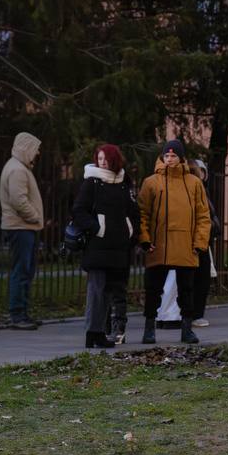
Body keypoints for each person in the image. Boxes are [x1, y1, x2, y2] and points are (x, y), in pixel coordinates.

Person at [137, 139, 212, 345]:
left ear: (181, 158)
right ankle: (149, 329)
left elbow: (203, 215)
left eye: (173, 156)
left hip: (185, 245)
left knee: (186, 289)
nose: (169, 159)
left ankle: (187, 329)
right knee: (153, 289)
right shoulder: (151, 182)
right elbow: (142, 213)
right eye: (166, 156)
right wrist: (145, 239)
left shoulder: (193, 183)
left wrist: (199, 243)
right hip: (158, 244)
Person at [73, 144, 139, 349]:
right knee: (96, 290)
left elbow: (132, 211)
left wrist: (131, 232)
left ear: (114, 160)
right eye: (99, 158)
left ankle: (100, 333)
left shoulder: (123, 183)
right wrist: (96, 228)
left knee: (109, 292)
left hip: (118, 247)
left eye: (105, 159)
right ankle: (92, 333)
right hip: (98, 246)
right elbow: (78, 210)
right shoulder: (91, 182)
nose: (102, 162)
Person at [0, 131, 44, 330]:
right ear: (27, 148)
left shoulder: (20, 168)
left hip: (24, 226)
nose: (37, 153)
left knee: (25, 270)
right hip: (21, 227)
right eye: (35, 149)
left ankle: (22, 312)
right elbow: (19, 200)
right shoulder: (17, 170)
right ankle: (18, 313)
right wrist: (34, 216)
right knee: (22, 270)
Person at [188, 159, 220, 328]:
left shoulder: (203, 191)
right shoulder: (195, 190)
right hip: (197, 240)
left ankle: (196, 313)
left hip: (203, 239)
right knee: (197, 279)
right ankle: (194, 313)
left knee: (201, 278)